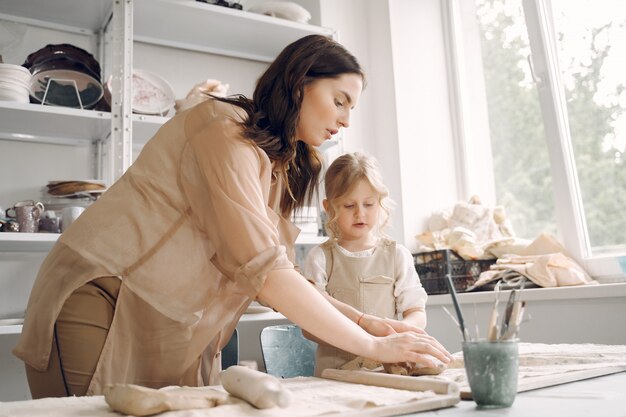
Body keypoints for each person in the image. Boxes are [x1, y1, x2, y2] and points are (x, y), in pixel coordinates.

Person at [14, 35, 452, 399]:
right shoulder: (222, 131)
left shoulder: (279, 167)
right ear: (300, 82)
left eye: (351, 108)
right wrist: (374, 343)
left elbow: (276, 272)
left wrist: (363, 321)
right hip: (101, 296)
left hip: (161, 319)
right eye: (340, 100)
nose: (345, 119)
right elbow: (267, 274)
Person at [303, 152, 429, 375]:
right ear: (329, 207)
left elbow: (416, 311)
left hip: (387, 372)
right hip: (335, 376)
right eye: (349, 205)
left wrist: (399, 334)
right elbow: (309, 328)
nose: (360, 213)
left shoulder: (397, 255)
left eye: (369, 204)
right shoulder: (320, 258)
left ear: (380, 204)